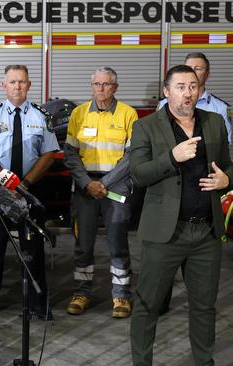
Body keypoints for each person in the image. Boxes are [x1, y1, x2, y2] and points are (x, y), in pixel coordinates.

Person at [129, 65, 233, 365]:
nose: (187, 93)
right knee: (147, 305)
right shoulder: (146, 127)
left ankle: (204, 361)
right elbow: (138, 174)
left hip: (206, 234)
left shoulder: (214, 122)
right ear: (166, 91)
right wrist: (171, 158)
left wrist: (226, 180)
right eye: (180, 87)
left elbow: (227, 167)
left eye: (192, 86)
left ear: (199, 89)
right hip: (165, 234)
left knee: (204, 307)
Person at [0, 64, 59, 321]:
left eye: (22, 82)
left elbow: (48, 155)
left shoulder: (41, 116)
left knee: (33, 250)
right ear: (4, 86)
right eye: (12, 82)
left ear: (29, 85)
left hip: (30, 189)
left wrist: (26, 184)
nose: (17, 86)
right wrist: (3, 179)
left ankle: (38, 304)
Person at [63, 67, 138, 318]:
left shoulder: (128, 114)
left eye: (106, 85)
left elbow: (132, 156)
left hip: (115, 188)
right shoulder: (78, 113)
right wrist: (87, 183)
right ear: (91, 86)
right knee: (83, 245)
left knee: (118, 244)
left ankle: (121, 296)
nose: (101, 89)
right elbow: (70, 155)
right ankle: (81, 292)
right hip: (86, 188)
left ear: (115, 88)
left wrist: (104, 182)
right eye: (97, 84)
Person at [158, 52, 231, 143]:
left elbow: (223, 144)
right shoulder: (165, 103)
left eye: (198, 69)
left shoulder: (220, 108)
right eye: (188, 68)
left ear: (207, 75)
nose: (192, 72)